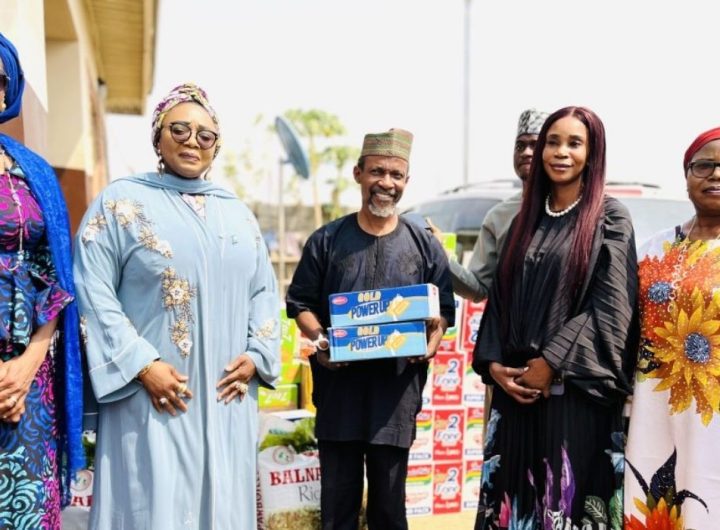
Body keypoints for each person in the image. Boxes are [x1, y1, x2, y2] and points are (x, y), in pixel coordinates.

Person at [73, 83, 279, 529]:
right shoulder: (120, 203)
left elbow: (264, 290)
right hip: (151, 400)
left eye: (205, 135)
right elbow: (91, 288)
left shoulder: (238, 212)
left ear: (216, 146)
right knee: (154, 506)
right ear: (158, 138)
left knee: (222, 506)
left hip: (226, 399)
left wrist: (257, 355)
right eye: (180, 129)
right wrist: (142, 365)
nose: (192, 141)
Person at [473, 106, 638, 529]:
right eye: (552, 141)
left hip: (576, 400)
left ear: (592, 152)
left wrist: (551, 363)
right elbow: (500, 300)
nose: (560, 152)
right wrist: (494, 365)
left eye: (573, 143)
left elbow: (611, 304)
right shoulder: (524, 220)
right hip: (515, 400)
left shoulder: (610, 217)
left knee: (565, 510)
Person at [286, 128, 455, 530]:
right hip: (339, 392)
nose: (387, 183)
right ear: (358, 173)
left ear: (406, 182)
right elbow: (299, 304)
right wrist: (321, 340)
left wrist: (432, 340)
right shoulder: (327, 240)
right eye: (378, 171)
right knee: (338, 512)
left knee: (389, 512)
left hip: (395, 398)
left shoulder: (424, 244)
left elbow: (444, 309)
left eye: (396, 175)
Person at [0, 34, 84, 529]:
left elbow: (55, 277)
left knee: (28, 512)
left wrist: (29, 364)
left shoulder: (31, 172)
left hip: (25, 382)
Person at [624, 127, 720, 529]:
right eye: (704, 166)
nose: (715, 175)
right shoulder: (651, 250)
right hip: (653, 412)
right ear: (686, 176)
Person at [447, 108, 548, 301]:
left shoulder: (574, 209)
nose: (526, 152)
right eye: (520, 146)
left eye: (535, 145)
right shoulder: (499, 216)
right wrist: (440, 256)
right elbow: (479, 288)